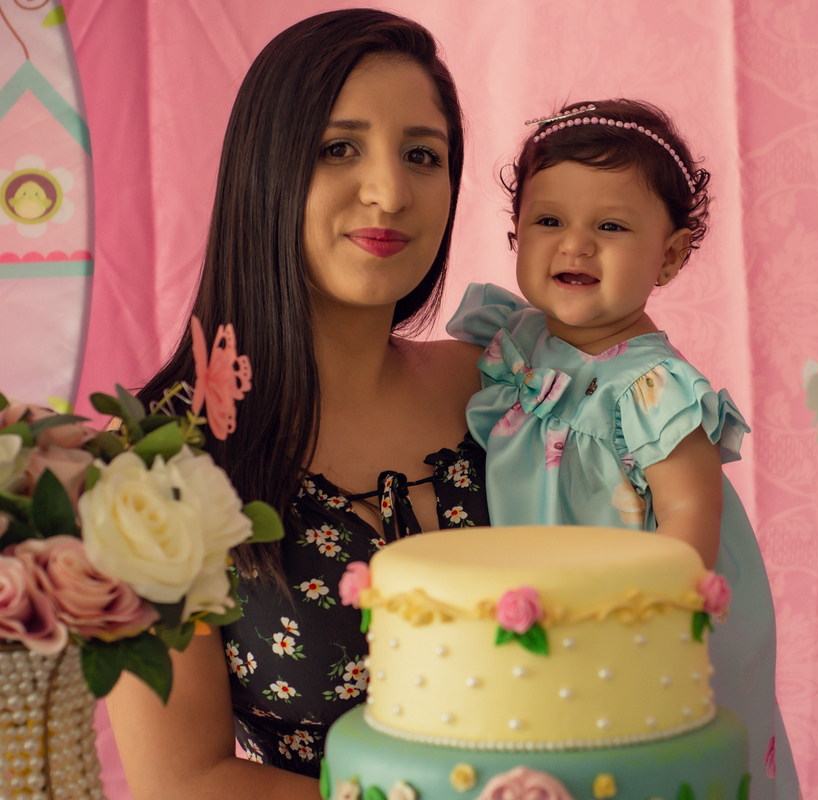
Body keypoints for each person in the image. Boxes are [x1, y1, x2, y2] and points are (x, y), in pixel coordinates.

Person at [105, 11, 486, 799]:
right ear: (265, 168)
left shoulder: (502, 390)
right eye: (337, 148)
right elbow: (185, 782)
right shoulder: (157, 459)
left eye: (424, 154)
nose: (390, 191)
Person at [447, 99, 800, 800]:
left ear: (668, 256)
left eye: (610, 226)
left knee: (651, 772)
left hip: (646, 629)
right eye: (549, 221)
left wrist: (651, 629)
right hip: (544, 611)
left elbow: (690, 521)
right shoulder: (511, 343)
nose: (574, 244)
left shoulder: (651, 388)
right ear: (516, 234)